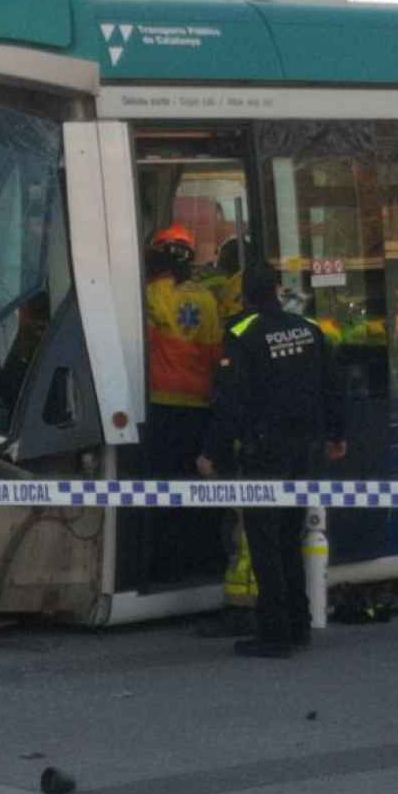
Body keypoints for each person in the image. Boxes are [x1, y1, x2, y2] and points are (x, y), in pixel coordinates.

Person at [197, 264, 347, 658]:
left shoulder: (243, 335)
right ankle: (298, 625)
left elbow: (230, 402)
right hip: (307, 451)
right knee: (290, 538)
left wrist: (211, 452)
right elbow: (333, 385)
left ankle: (275, 634)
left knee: (264, 543)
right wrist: (337, 435)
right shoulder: (309, 328)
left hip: (267, 453)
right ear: (278, 292)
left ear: (245, 297)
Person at [144, 224, 224, 581]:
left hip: (161, 406)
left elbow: (154, 322)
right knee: (194, 491)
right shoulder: (206, 299)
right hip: (199, 407)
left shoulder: (153, 293)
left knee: (162, 491)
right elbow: (215, 354)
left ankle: (163, 565)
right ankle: (199, 561)